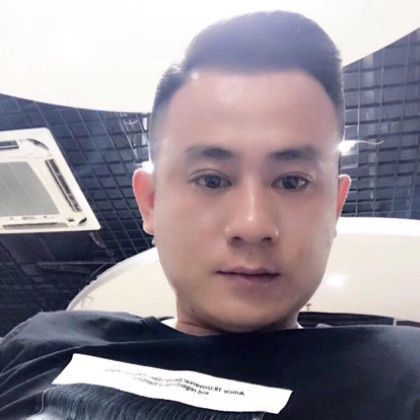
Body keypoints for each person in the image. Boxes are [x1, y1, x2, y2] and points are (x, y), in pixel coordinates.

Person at [0, 10, 419, 420]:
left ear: (335, 207)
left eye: (292, 182)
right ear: (151, 201)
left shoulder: (401, 376)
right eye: (212, 180)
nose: (253, 226)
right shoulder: (42, 345)